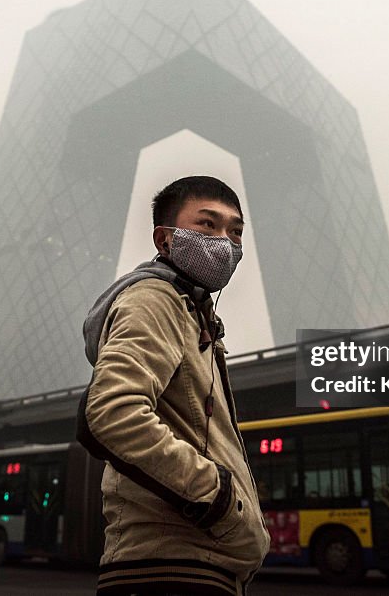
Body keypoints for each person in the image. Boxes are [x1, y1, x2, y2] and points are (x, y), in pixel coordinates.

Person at [77, 176, 270, 596]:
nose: (225, 241)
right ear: (165, 241)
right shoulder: (155, 300)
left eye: (235, 231)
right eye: (207, 225)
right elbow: (111, 414)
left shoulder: (192, 314)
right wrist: (220, 500)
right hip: (170, 570)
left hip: (194, 565)